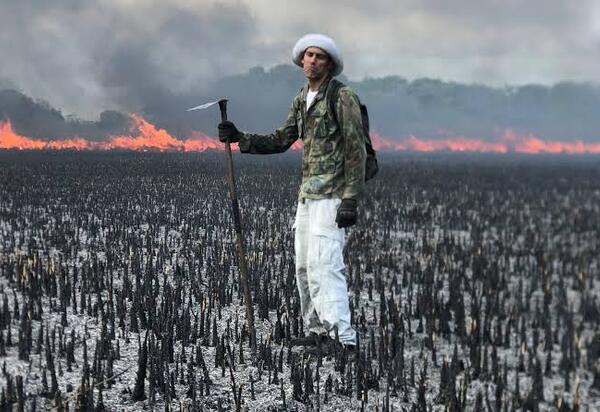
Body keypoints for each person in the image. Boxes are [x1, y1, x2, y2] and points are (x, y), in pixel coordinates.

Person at [218, 33, 366, 352]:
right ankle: (317, 331)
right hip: (307, 194)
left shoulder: (342, 97)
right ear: (301, 61)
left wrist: (350, 198)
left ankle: (342, 338)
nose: (312, 61)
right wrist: (239, 137)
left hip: (333, 192)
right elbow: (282, 139)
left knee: (325, 264)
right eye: (308, 55)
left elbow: (356, 149)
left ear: (330, 64)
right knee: (304, 265)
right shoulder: (302, 98)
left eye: (320, 56)